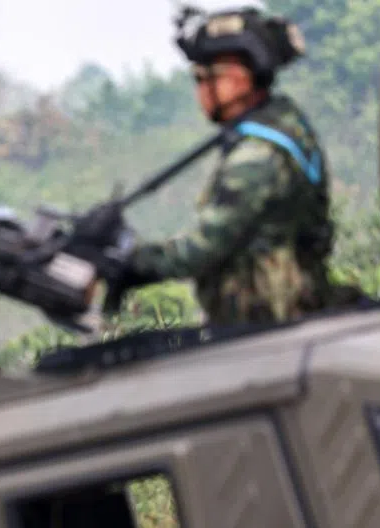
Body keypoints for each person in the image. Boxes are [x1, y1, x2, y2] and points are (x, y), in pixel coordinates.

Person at [104, 6, 358, 326]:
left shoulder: (258, 154)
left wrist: (132, 264)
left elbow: (203, 248)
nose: (199, 92)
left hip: (273, 325)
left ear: (239, 79)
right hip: (274, 321)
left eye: (204, 78)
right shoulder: (281, 125)